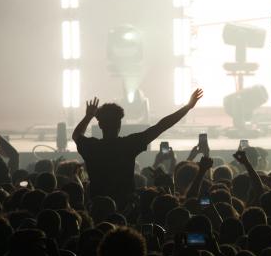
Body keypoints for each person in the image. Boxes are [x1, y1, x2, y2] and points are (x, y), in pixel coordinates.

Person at [72, 89, 203, 208]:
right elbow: (161, 126)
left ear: (100, 125)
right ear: (119, 124)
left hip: (97, 208)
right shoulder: (128, 145)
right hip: (126, 208)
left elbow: (77, 135)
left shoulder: (92, 147)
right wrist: (187, 107)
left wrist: (88, 116)